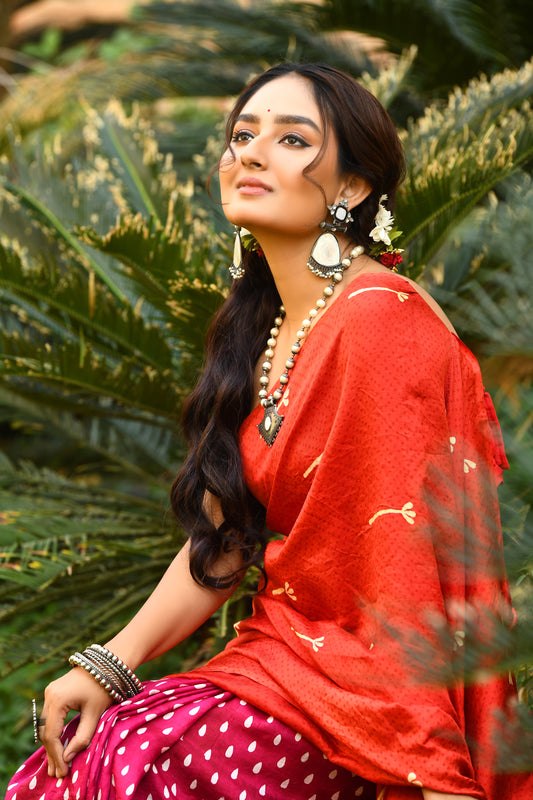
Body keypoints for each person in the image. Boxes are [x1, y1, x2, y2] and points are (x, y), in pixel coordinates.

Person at [5, 62, 532, 800]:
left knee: (131, 768)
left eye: (290, 139)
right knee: (79, 766)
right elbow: (223, 539)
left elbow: (405, 569)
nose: (249, 152)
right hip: (281, 669)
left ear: (353, 187)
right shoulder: (264, 330)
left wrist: (430, 768)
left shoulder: (379, 320)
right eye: (242, 134)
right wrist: (106, 666)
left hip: (361, 706)